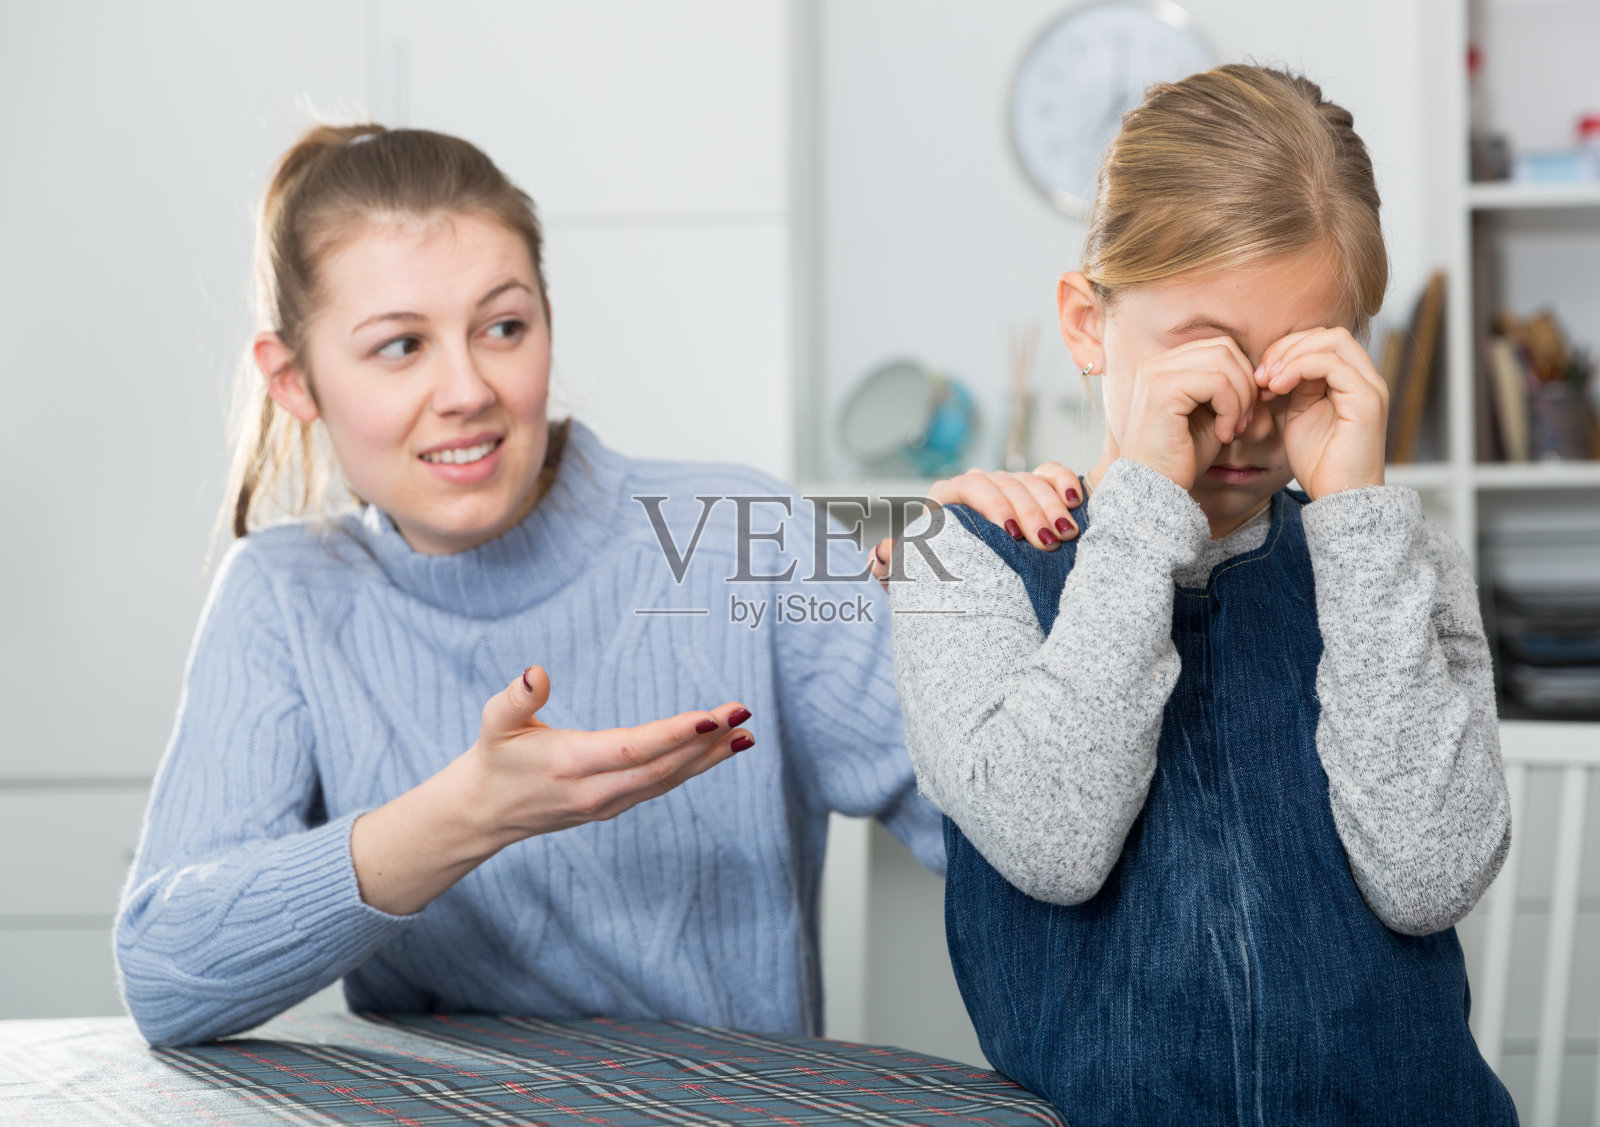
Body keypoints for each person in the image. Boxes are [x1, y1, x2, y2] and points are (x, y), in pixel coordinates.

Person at [114, 123, 1082, 1048]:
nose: (467, 388)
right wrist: (468, 811)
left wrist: (989, 608)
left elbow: (1034, 832)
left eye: (503, 326)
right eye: (401, 345)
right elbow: (165, 973)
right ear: (292, 380)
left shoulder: (746, 541)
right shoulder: (284, 597)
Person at [889, 65, 1517, 1126]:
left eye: (1300, 365)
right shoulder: (960, 557)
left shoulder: (1401, 568)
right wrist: (1136, 512)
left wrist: (1358, 519)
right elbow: (1053, 839)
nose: (1243, 416)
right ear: (1087, 326)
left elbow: (1428, 874)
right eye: (1205, 354)